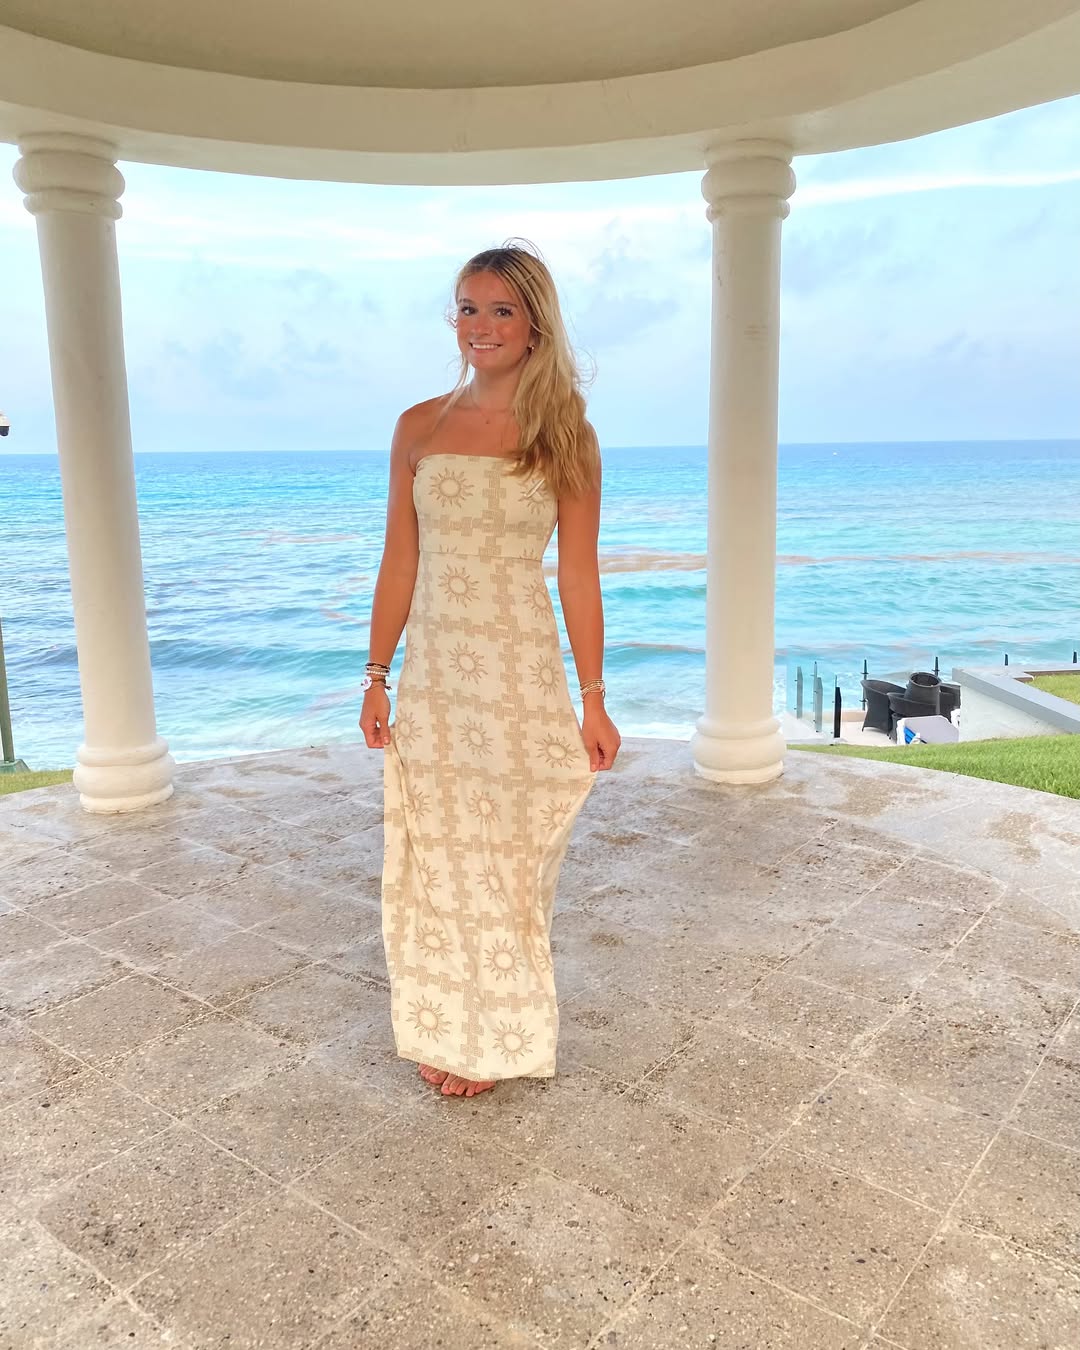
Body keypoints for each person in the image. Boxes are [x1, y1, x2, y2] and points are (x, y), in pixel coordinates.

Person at [359, 241, 620, 1099]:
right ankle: (448, 1029)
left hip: (520, 678)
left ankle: (499, 1029)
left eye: (501, 310)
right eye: (468, 308)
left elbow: (577, 575)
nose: (481, 325)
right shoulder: (417, 427)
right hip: (437, 680)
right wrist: (376, 675)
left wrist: (592, 698)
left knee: (507, 856)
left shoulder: (565, 434)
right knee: (439, 856)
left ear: (534, 323)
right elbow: (401, 561)